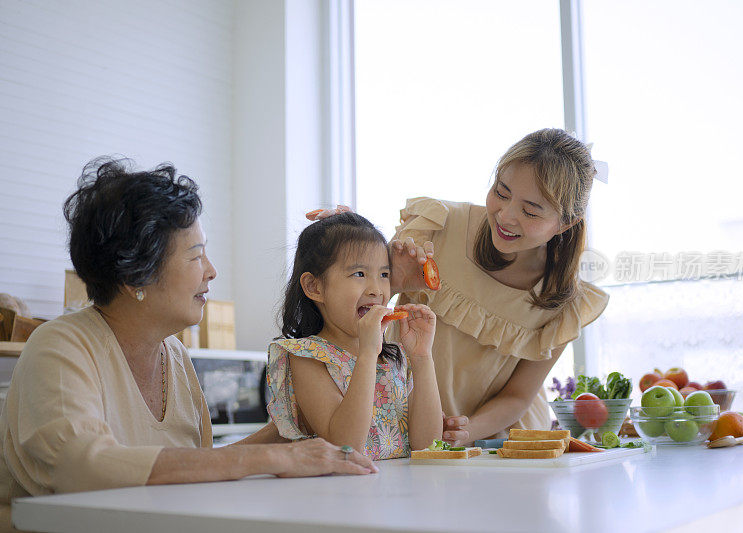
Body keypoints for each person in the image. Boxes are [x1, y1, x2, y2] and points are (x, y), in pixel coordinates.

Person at [0, 158, 375, 532]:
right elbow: (84, 466)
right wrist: (275, 456)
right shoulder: (60, 346)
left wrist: (291, 428)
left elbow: (193, 465)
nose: (211, 271)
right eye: (196, 255)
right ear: (135, 276)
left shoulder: (173, 354)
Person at [312, 129, 609, 445]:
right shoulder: (439, 227)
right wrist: (347, 248)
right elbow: (357, 314)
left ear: (567, 222)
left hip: (497, 441)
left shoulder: (564, 299)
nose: (506, 216)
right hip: (405, 425)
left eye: (530, 211)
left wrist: (466, 430)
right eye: (501, 192)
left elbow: (519, 395)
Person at [267, 212, 442, 460]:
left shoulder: (393, 359)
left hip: (400, 493)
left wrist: (422, 357)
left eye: (384, 275)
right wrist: (368, 353)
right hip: (342, 495)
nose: (376, 290)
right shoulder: (306, 356)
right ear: (314, 287)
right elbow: (345, 448)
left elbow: (428, 445)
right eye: (359, 274)